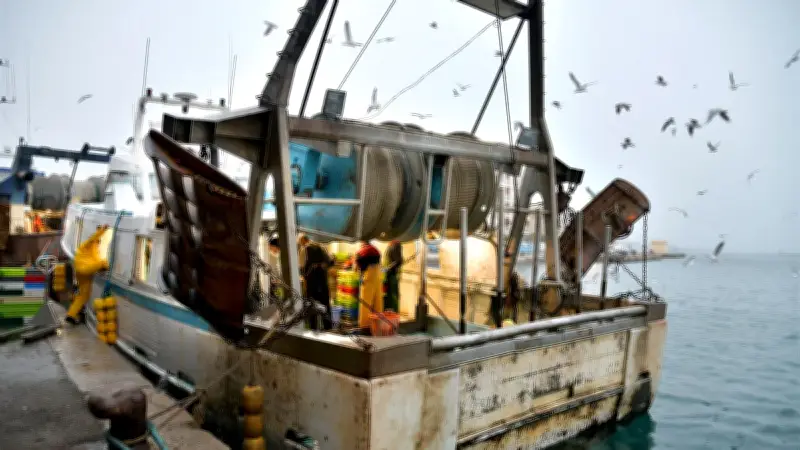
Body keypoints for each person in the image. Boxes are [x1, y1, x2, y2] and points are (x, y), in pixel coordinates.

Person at [298, 234, 334, 330]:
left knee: (312, 306)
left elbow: (301, 267)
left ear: (303, 241)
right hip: (323, 282)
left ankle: (313, 329)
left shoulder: (304, 249)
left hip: (312, 284)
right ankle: (328, 329)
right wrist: (322, 266)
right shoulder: (322, 247)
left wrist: (303, 276)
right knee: (325, 305)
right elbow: (331, 262)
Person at [354, 240, 383, 329]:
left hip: (368, 277)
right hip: (378, 277)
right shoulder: (376, 250)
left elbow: (356, 267)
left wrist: (358, 272)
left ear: (363, 243)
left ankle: (365, 326)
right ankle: (378, 325)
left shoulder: (361, 252)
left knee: (365, 303)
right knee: (377, 302)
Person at [384, 240, 403, 312]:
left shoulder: (395, 245)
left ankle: (394, 313)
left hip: (392, 275)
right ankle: (390, 312)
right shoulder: (392, 245)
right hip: (389, 275)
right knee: (389, 296)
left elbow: (398, 261)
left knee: (393, 295)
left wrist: (387, 268)